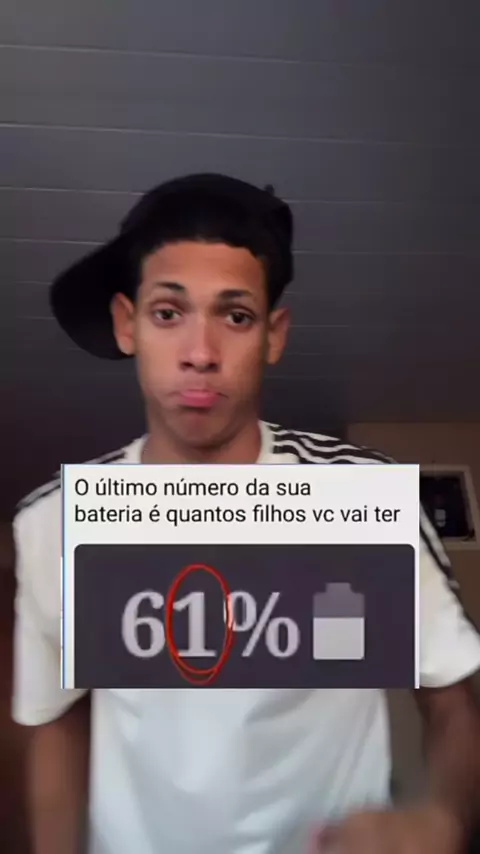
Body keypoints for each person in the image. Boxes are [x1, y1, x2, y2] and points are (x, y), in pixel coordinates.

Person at [12, 173, 480, 854]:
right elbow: (53, 718)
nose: (201, 354)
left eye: (235, 317)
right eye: (168, 313)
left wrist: (442, 819)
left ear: (273, 335)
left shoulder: (360, 498)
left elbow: (450, 697)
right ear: (126, 324)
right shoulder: (56, 524)